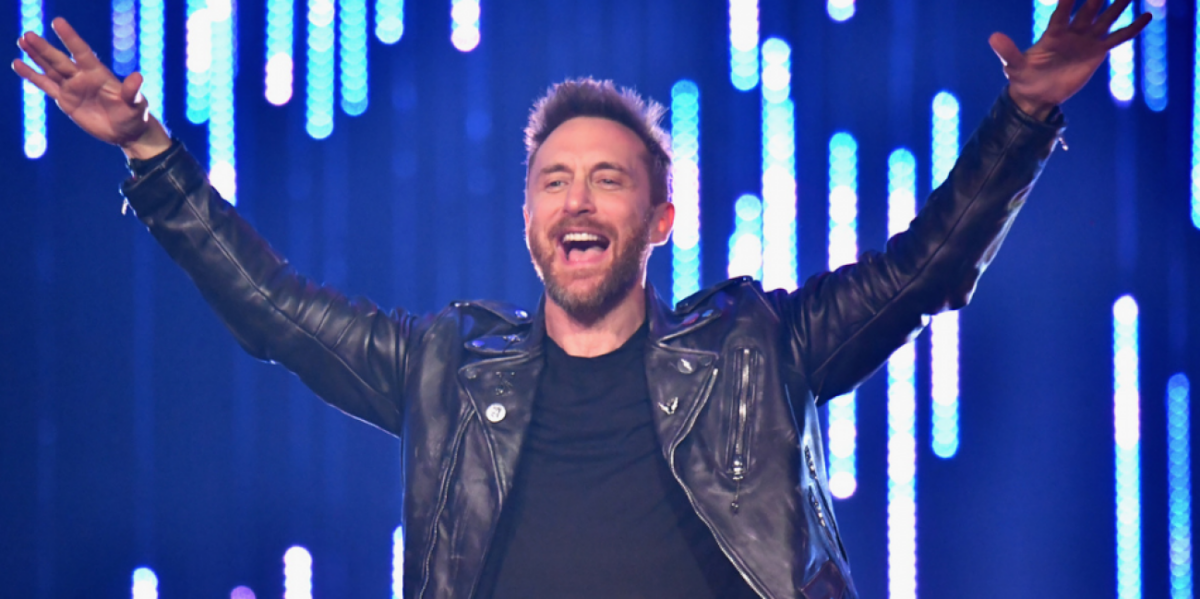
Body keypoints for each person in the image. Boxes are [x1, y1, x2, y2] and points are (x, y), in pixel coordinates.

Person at [13, 1, 1148, 597]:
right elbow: (272, 307)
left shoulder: (759, 347)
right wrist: (151, 152)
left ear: (660, 219)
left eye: (608, 177)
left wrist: (1025, 116)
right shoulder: (445, 368)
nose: (578, 197)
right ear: (529, 218)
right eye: (554, 179)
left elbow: (924, 269)